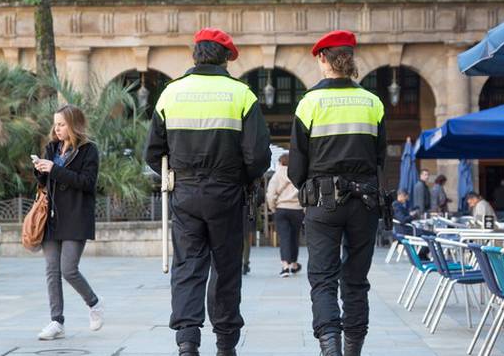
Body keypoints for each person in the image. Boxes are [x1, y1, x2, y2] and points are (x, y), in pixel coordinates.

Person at [145, 28, 271, 356]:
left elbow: (152, 152)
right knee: (226, 266)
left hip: (185, 192)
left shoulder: (170, 93)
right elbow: (258, 156)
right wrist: (239, 179)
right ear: (227, 58)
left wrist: (178, 175)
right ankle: (226, 343)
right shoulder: (242, 94)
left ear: (195, 54)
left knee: (188, 266)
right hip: (227, 192)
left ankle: (187, 341)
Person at [288, 30, 386, 356]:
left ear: (322, 59)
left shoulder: (310, 102)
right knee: (356, 281)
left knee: (324, 280)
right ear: (350, 60)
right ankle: (353, 349)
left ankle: (330, 349)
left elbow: (296, 163)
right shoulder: (373, 102)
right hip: (366, 201)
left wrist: (308, 191)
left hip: (323, 202)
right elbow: (380, 157)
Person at [32, 104, 104, 341]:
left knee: (68, 269)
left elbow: (87, 183)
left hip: (76, 217)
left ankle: (94, 303)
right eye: (56, 124)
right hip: (51, 217)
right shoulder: (52, 147)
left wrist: (54, 169)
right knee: (52, 271)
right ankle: (57, 321)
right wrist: (41, 169)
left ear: (74, 124)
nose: (57, 128)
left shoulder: (88, 150)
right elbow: (46, 181)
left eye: (62, 124)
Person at [266, 153, 304, 278]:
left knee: (284, 237)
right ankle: (293, 263)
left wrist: (272, 207)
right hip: (297, 209)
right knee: (294, 237)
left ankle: (285, 266)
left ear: (280, 162)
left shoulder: (277, 176)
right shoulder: (298, 174)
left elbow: (270, 194)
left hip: (281, 209)